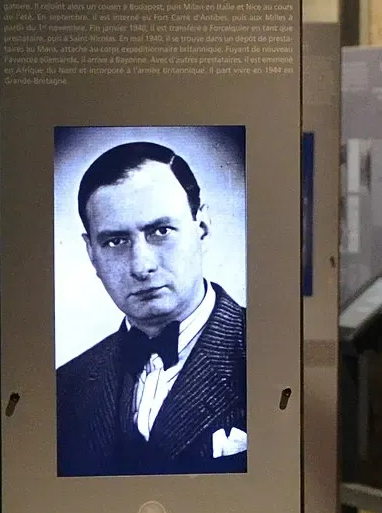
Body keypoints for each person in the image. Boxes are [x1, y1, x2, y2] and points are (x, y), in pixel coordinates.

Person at [56, 140, 247, 477]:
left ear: (201, 228)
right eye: (115, 241)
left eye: (161, 231)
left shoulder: (269, 355)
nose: (141, 266)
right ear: (91, 253)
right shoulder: (64, 388)